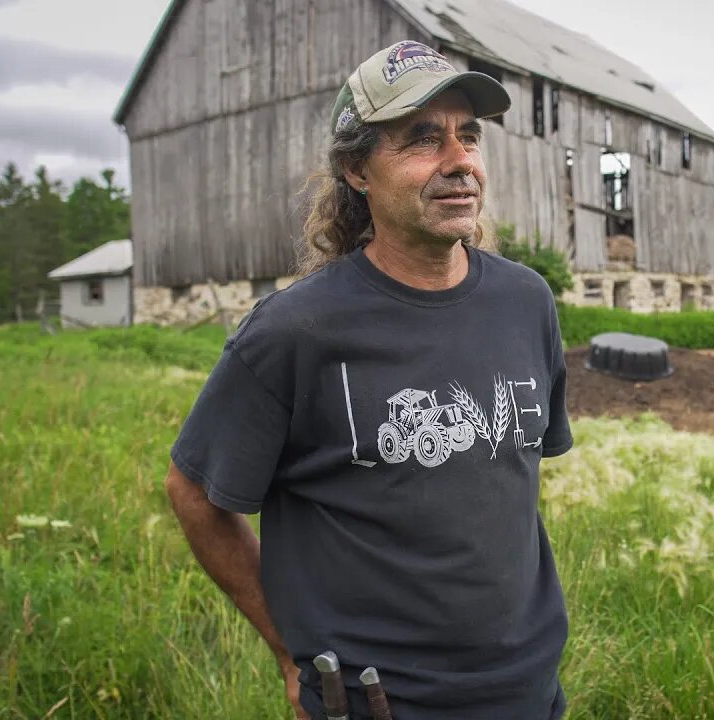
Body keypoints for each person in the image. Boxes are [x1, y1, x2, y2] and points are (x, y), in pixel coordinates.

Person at [164, 40, 574, 720]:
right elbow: (194, 491)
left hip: (529, 693)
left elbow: (501, 490)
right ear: (357, 170)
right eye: (422, 140)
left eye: (467, 136)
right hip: (375, 705)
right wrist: (287, 648)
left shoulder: (525, 303)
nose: (459, 163)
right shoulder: (296, 330)